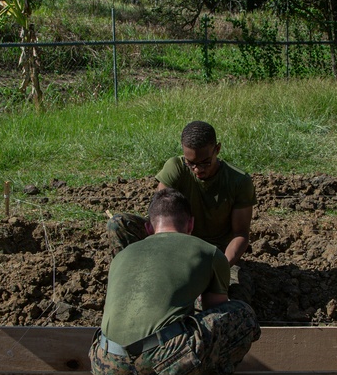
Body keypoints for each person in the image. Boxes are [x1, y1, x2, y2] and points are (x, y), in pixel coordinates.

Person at [91, 188, 261, 375]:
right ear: (190, 225)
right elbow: (215, 312)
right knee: (241, 316)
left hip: (105, 365)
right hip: (161, 365)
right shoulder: (209, 252)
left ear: (149, 228)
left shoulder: (123, 254)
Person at [106, 120, 256, 300]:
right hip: (173, 244)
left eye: (205, 162)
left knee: (234, 297)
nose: (197, 169)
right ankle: (132, 279)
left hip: (213, 254)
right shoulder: (176, 168)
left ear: (217, 149)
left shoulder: (239, 181)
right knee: (118, 224)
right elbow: (159, 216)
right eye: (191, 163)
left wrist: (218, 267)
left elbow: (241, 234)